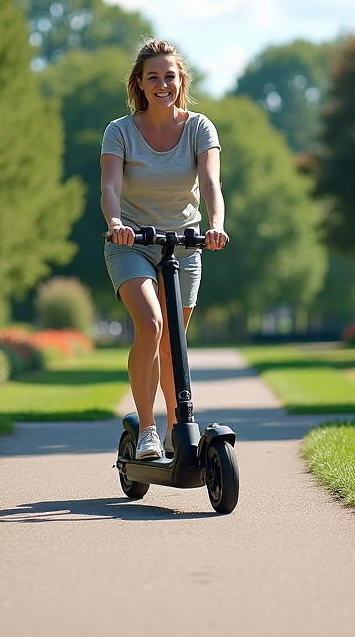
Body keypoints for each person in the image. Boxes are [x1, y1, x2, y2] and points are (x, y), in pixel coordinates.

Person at [100, 39, 228, 460]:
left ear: (180, 80)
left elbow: (210, 183)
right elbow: (110, 186)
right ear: (139, 82)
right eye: (152, 76)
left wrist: (215, 226)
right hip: (132, 241)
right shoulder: (119, 131)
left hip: (184, 242)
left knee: (175, 341)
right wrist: (116, 223)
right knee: (151, 325)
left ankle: (179, 428)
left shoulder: (199, 127)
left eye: (169, 76)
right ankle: (149, 431)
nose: (162, 84)